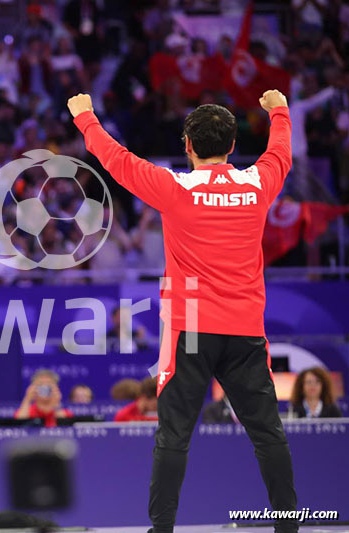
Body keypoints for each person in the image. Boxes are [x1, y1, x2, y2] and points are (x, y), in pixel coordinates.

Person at [68, 90, 298, 533]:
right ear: (232, 147)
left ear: (187, 146)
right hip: (246, 330)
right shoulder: (257, 185)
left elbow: (117, 161)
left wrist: (86, 119)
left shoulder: (174, 187)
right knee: (268, 435)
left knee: (173, 436)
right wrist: (279, 111)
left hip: (190, 330)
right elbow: (280, 153)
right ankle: (288, 527)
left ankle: (163, 529)